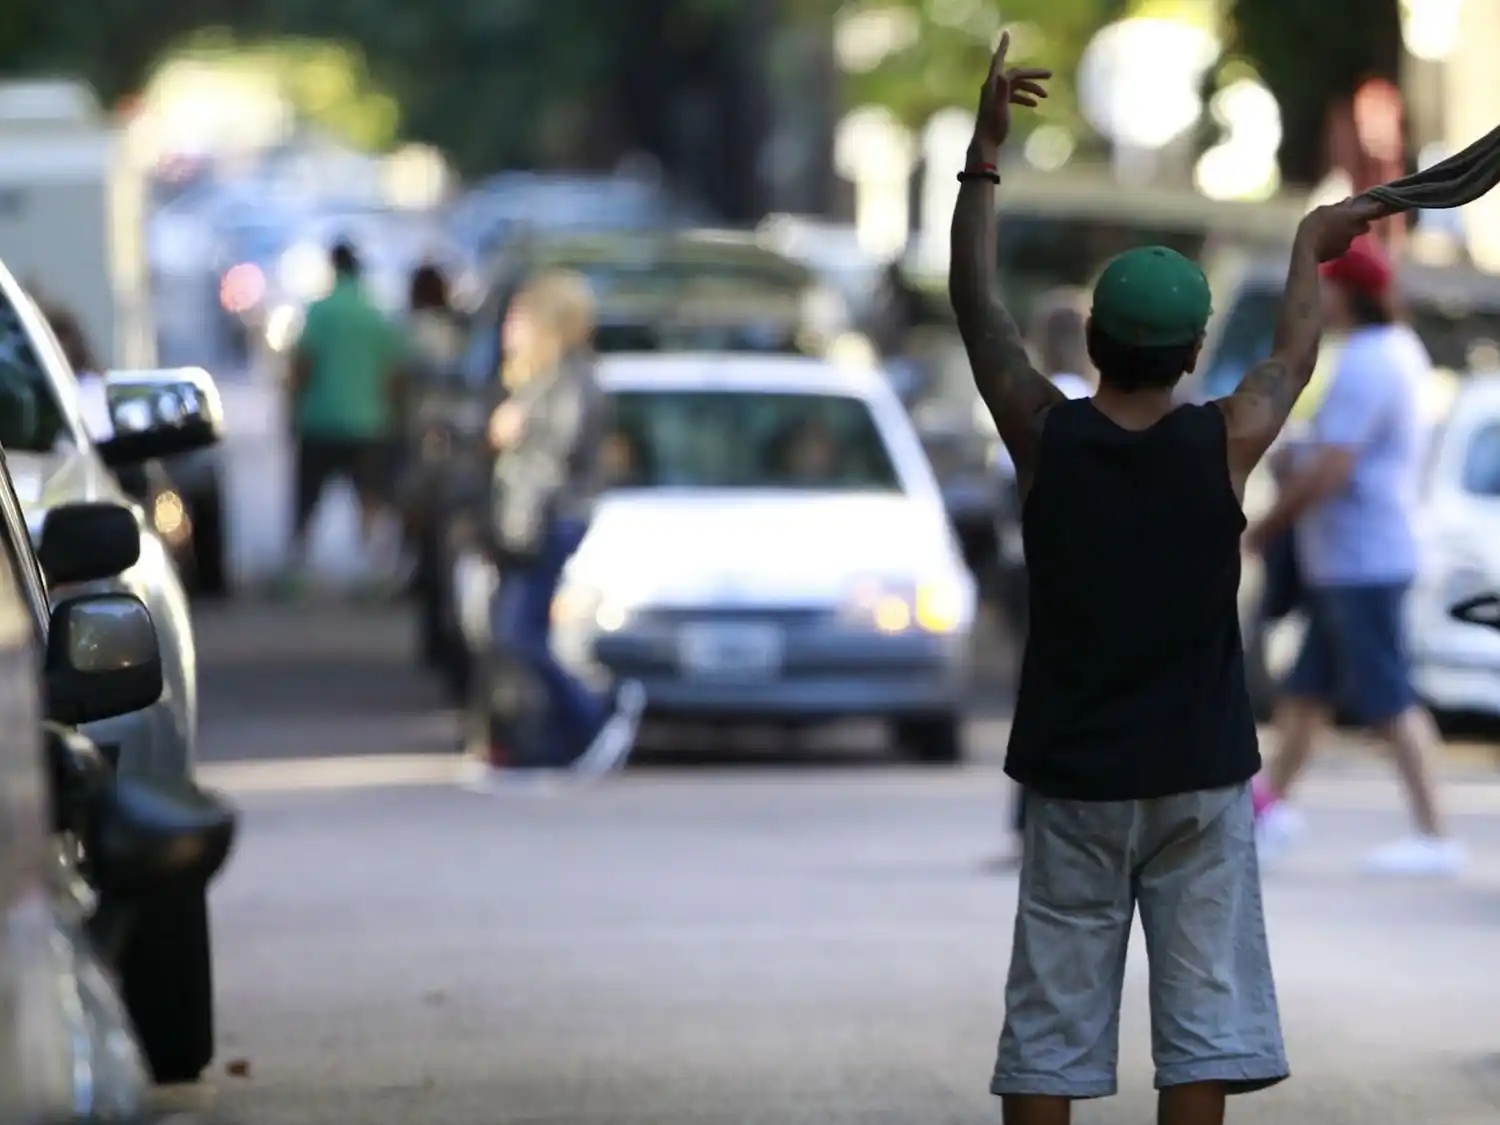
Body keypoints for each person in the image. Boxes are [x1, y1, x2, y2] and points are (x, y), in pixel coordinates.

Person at [951, 32, 1380, 1125]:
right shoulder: (1225, 442)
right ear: (1193, 354)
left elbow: (977, 309)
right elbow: (1292, 354)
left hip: (1074, 774)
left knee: (1052, 1019)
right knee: (1204, 1019)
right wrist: (1307, 247)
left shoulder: (1045, 435)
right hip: (1198, 774)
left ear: (1091, 339)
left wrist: (984, 157)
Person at [1245, 236, 1460, 876]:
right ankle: (1269, 810)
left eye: (1328, 287)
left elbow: (1337, 466)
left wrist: (1268, 525)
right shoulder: (1392, 352)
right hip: (1350, 556)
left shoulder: (1371, 360)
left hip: (1362, 559)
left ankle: (1434, 831)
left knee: (1388, 696)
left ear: (1350, 293)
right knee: (1308, 692)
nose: (1319, 300)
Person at [465, 270, 645, 790]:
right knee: (510, 633)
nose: (510, 331)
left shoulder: (569, 379)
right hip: (527, 521)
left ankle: (593, 715)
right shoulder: (538, 379)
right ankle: (543, 738)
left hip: (546, 522)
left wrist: (515, 433)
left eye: (520, 320)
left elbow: (553, 459)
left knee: (518, 633)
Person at [995, 291, 1096, 865]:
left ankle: (1030, 817)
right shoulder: (1088, 401)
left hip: (1030, 563)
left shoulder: (1029, 399)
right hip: (1075, 567)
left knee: (1036, 691)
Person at [285, 241, 407, 592]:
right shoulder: (376, 314)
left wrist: (292, 409)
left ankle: (297, 572)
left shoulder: (319, 312)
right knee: (369, 498)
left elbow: (301, 366)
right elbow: (394, 372)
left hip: (320, 420)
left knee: (307, 500)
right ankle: (373, 574)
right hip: (368, 422)